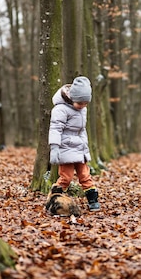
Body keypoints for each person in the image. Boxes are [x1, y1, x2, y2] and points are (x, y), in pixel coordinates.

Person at [48, 76, 100, 212]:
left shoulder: (83, 109)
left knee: (85, 176)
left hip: (80, 148)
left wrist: (85, 148)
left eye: (85, 103)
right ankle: (53, 199)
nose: (82, 106)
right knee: (66, 177)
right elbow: (55, 128)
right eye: (80, 103)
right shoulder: (60, 109)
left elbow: (81, 131)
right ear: (72, 98)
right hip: (65, 148)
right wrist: (54, 148)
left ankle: (93, 200)